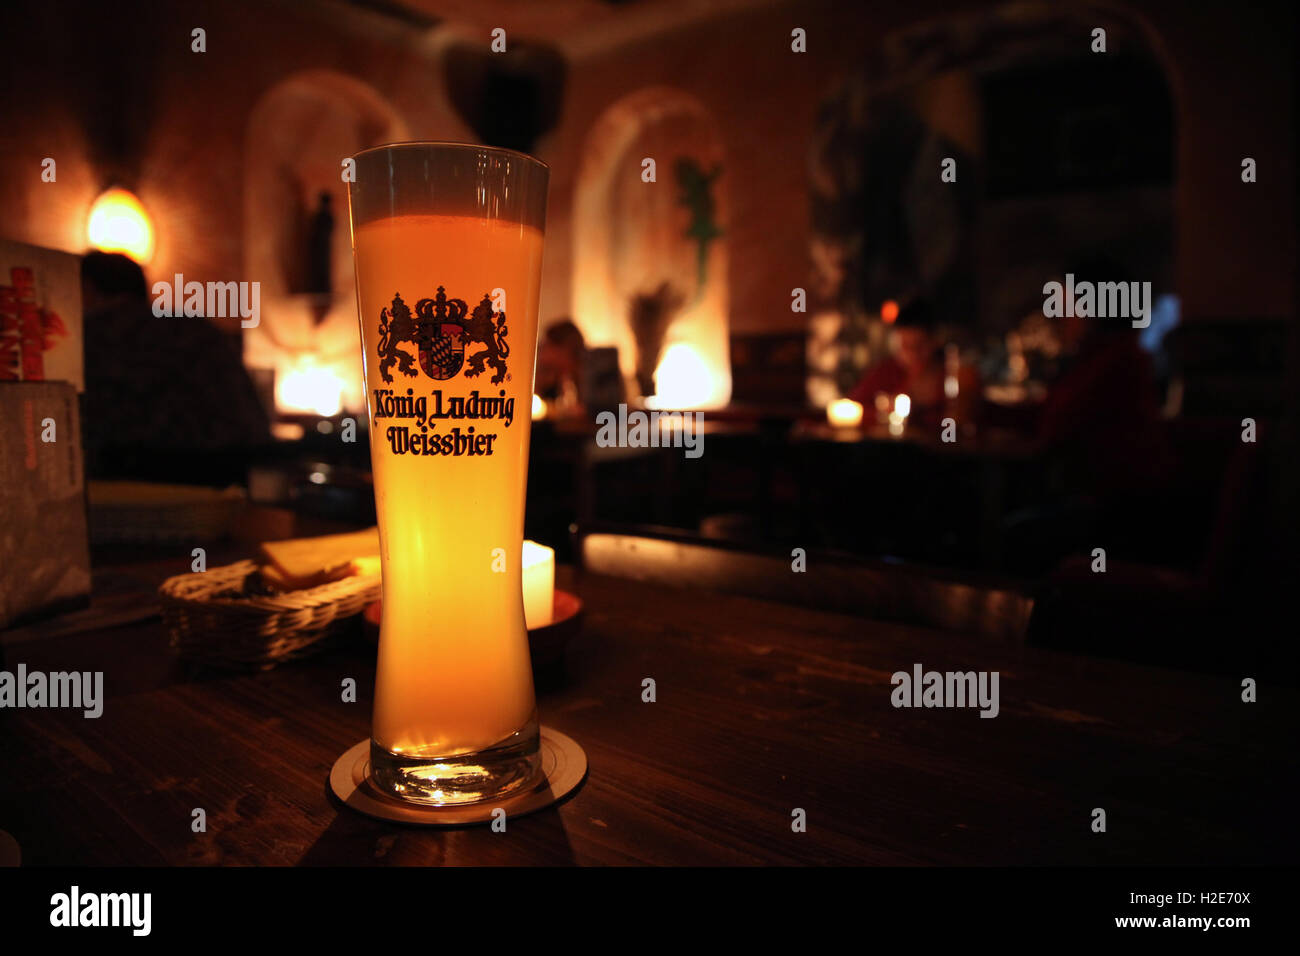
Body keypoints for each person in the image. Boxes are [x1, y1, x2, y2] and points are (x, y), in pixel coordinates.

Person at [80, 251, 270, 483]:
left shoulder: (94, 335)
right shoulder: (195, 326)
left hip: (144, 476)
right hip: (234, 467)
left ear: (87, 287)